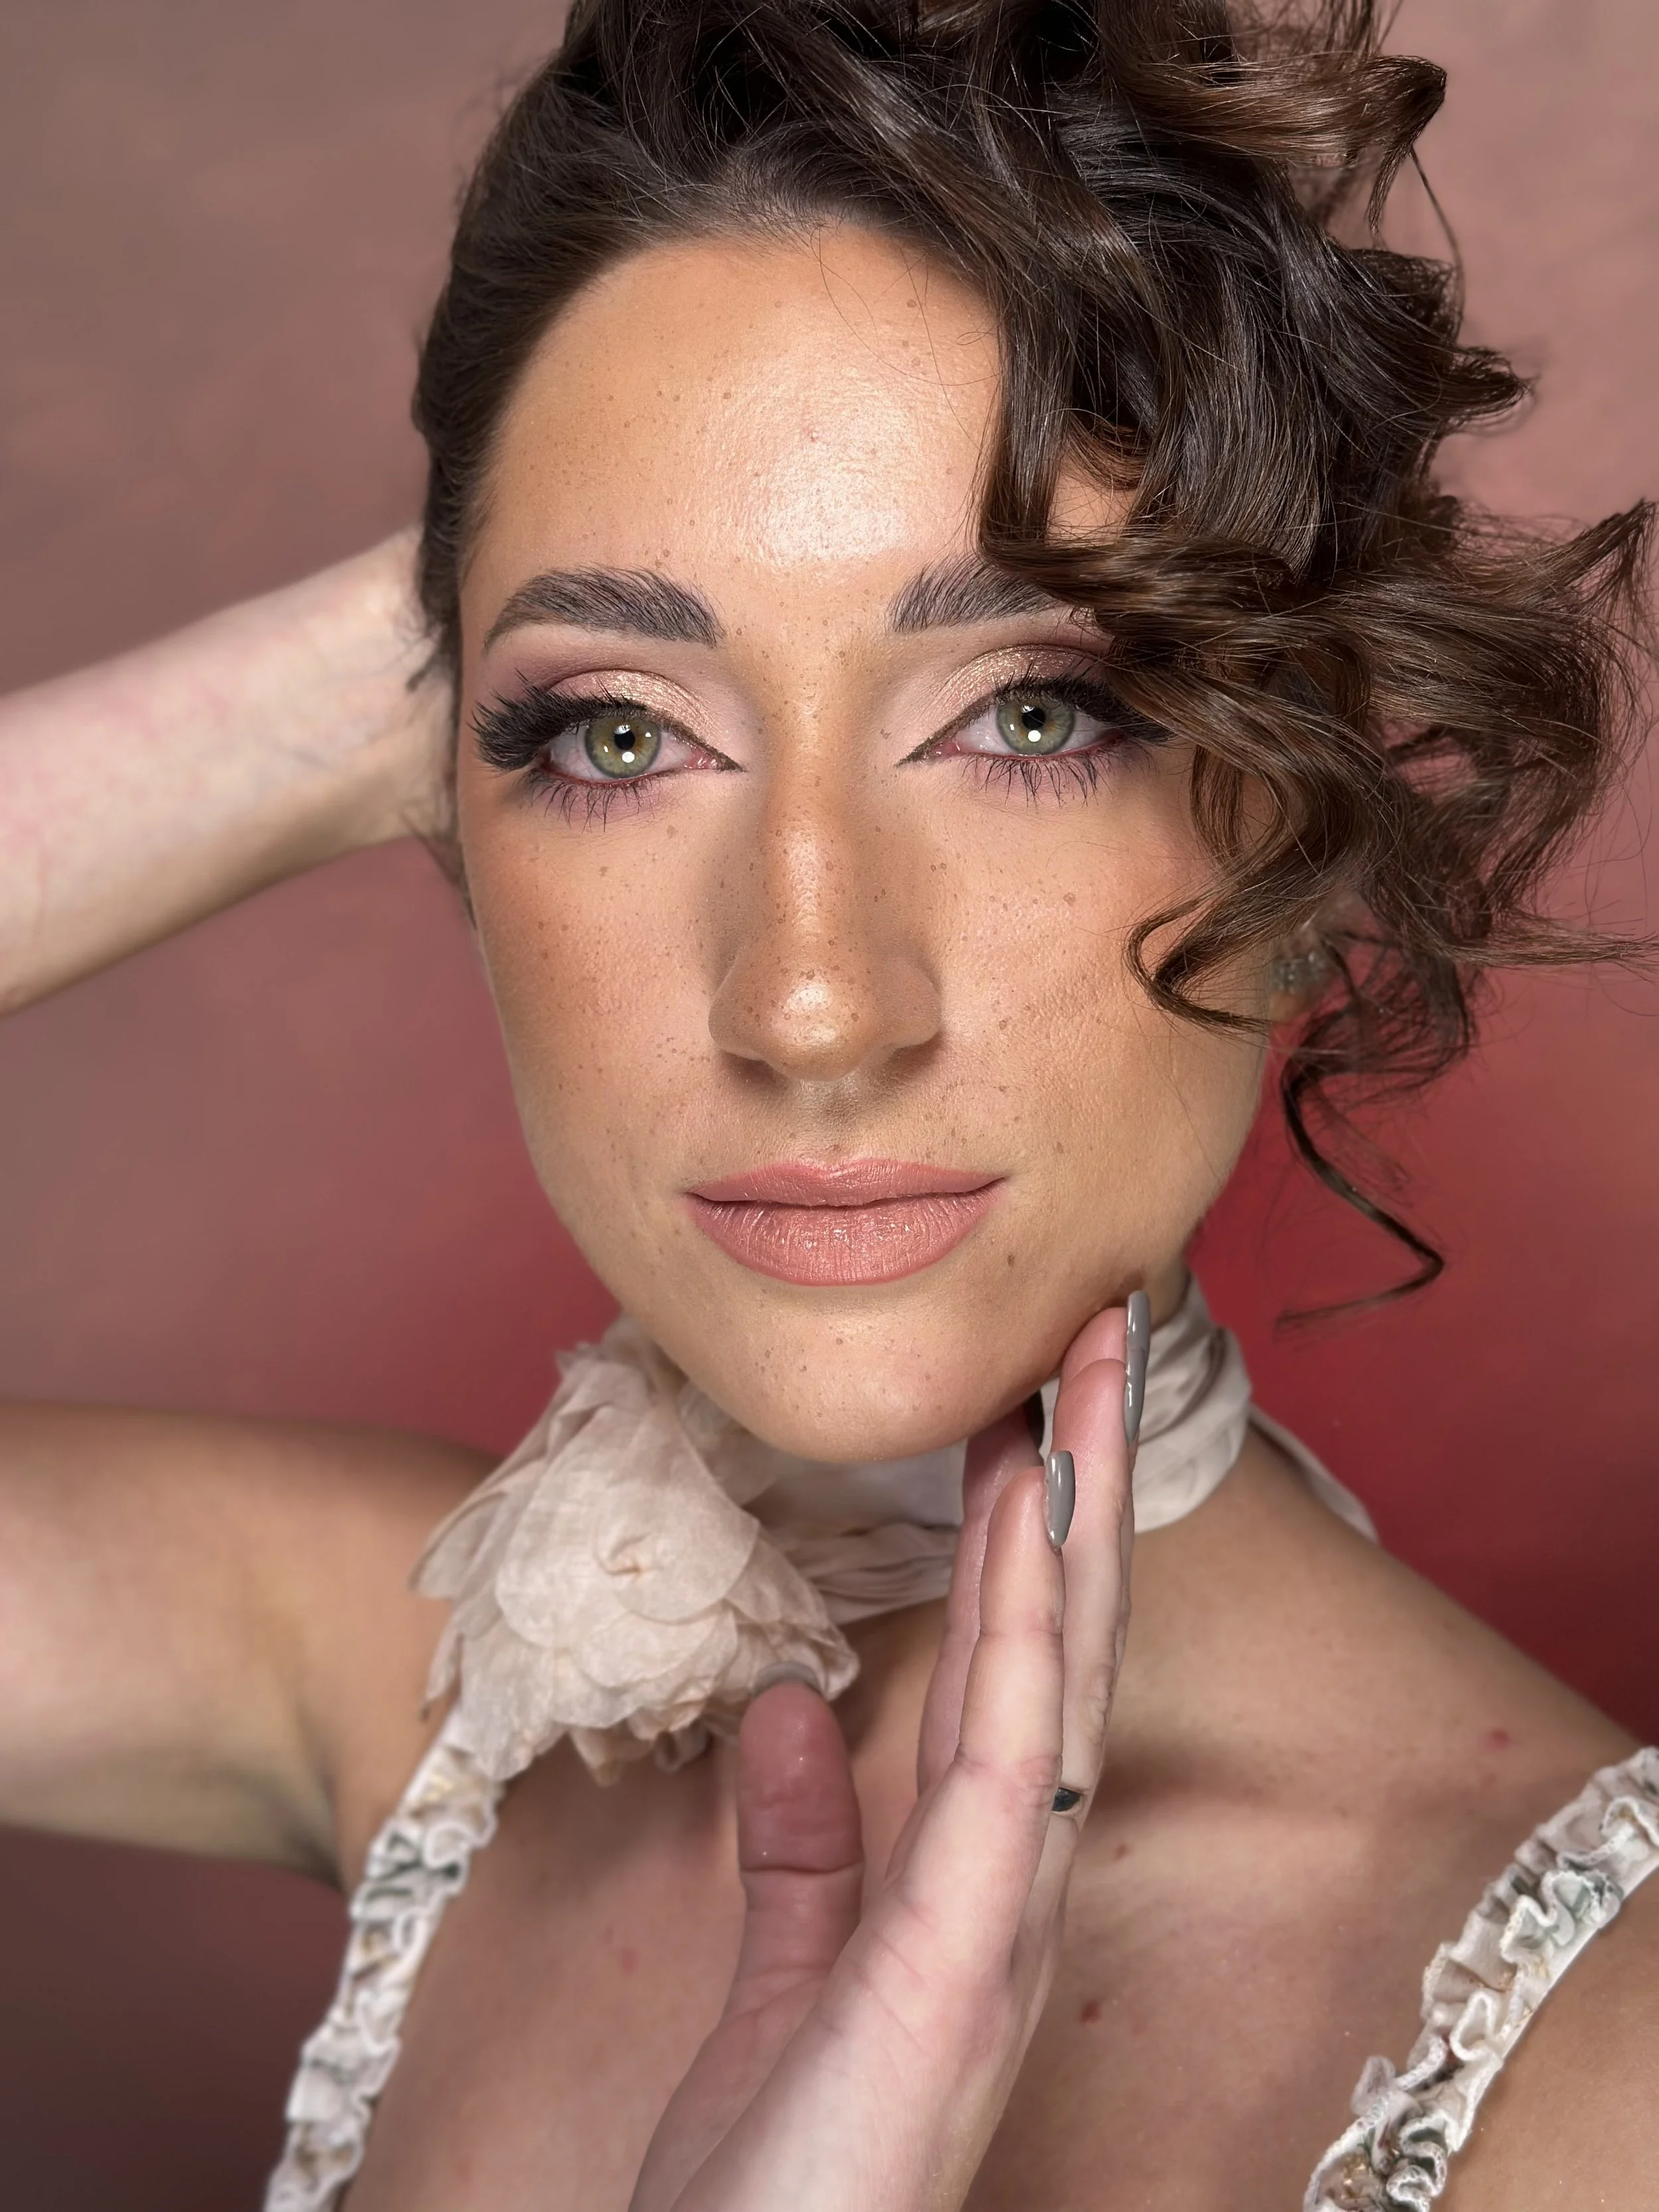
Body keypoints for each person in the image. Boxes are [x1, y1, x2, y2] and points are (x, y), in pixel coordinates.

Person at [1, 1, 1655, 2207]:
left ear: (1303, 810)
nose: (805, 997)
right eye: (602, 741)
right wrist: (373, 677)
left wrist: (578, 652)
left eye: (1038, 713)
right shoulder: (421, 1674)